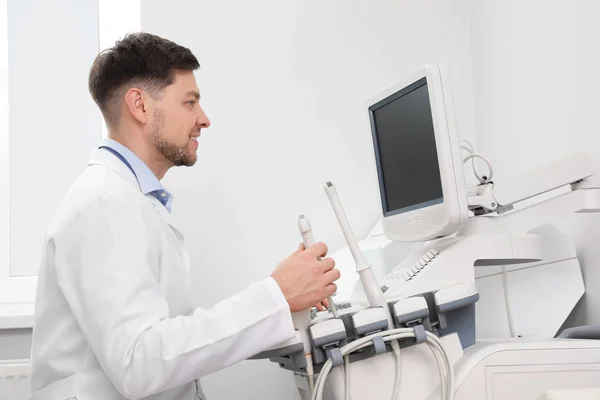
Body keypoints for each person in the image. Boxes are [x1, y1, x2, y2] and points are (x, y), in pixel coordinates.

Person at [28, 32, 340, 400]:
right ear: (140, 106)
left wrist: (281, 300)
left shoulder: (129, 199)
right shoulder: (101, 203)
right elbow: (139, 363)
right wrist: (275, 296)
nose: (204, 119)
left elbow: (164, 343)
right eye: (190, 102)